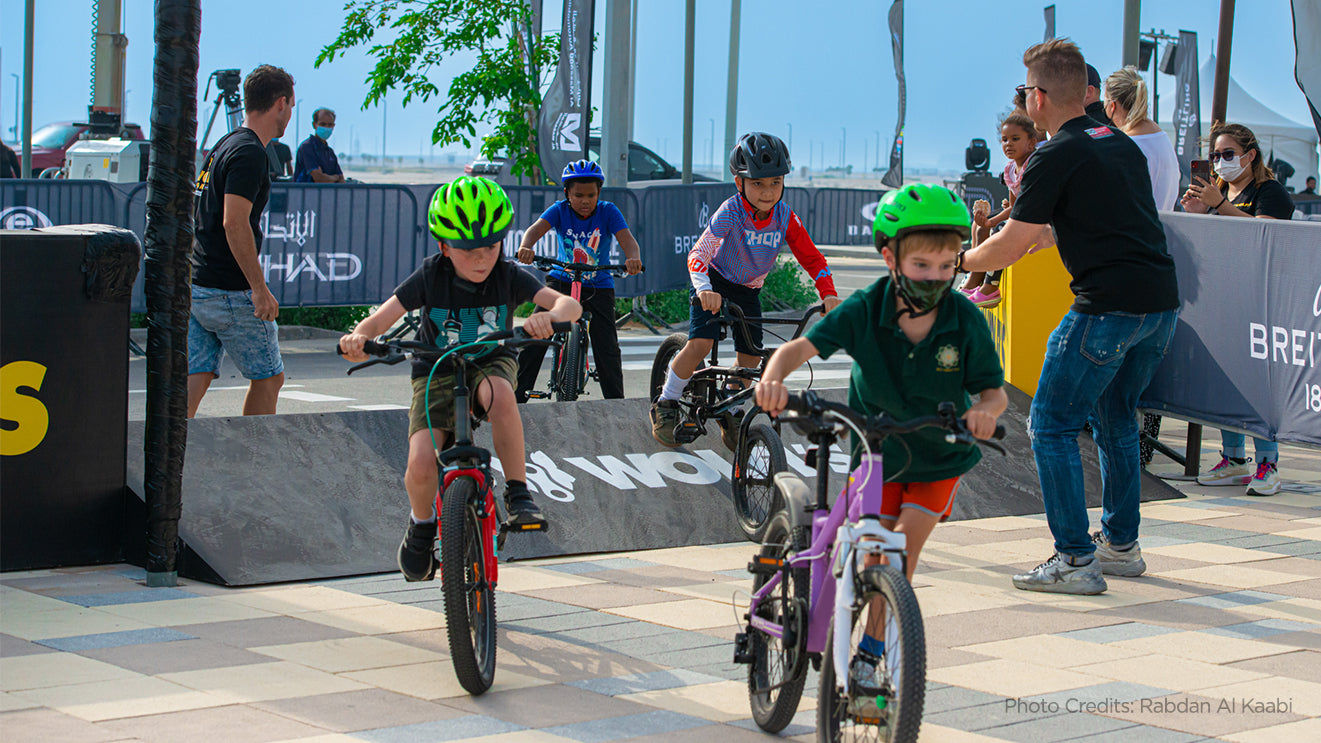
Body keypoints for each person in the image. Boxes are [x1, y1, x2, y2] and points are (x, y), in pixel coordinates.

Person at [756, 183, 1007, 713]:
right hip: (878, 455)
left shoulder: (963, 318)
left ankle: (869, 655)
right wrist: (773, 378)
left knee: (900, 553)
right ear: (889, 255)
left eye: (947, 266)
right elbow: (801, 348)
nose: (936, 278)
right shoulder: (868, 307)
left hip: (941, 456)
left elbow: (994, 391)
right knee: (871, 546)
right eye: (922, 265)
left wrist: (986, 412)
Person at [962, 39, 1180, 595]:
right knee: (1115, 420)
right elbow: (1093, 223)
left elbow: (1006, 247)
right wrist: (1041, 240)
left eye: (1023, 92)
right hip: (1159, 308)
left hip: (1106, 309)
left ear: (1036, 98)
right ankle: (1122, 547)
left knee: (1050, 424)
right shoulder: (1118, 143)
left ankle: (1075, 560)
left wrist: (951, 260)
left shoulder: (1053, 154)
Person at [338, 176, 581, 581]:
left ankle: (518, 492)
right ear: (444, 247)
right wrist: (361, 337)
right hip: (437, 367)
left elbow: (568, 304)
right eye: (468, 250)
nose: (482, 258)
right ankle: (421, 525)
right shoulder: (430, 276)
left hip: (490, 360)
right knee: (420, 462)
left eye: (491, 245)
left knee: (502, 395)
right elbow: (382, 317)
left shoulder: (509, 274)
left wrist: (549, 316)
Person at [651, 131, 842, 448]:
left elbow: (812, 257)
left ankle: (733, 406)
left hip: (748, 291)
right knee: (699, 344)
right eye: (758, 184)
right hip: (714, 283)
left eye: (775, 183)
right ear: (739, 183)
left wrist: (828, 293)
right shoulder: (732, 211)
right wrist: (704, 289)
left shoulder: (785, 217)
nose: (768, 192)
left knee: (751, 358)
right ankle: (667, 402)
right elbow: (698, 254)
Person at [1182, 122, 1294, 497]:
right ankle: (1234, 458)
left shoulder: (1269, 191)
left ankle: (1268, 461)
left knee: (1257, 384)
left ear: (1250, 155)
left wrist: (1220, 206)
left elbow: (1265, 236)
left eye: (1228, 154)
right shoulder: (1219, 193)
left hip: (1259, 301)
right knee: (1226, 382)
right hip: (1221, 300)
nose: (1220, 161)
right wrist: (1198, 213)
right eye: (1215, 155)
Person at [188, 65, 297, 418]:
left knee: (197, 373)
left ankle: (169, 458)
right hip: (230, 290)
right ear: (281, 103)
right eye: (291, 106)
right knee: (269, 378)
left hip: (199, 282)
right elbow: (234, 223)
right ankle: (257, 458)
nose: (290, 115)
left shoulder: (225, 143)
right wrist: (259, 289)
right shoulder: (250, 153)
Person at [514, 159, 643, 402]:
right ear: (567, 194)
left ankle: (616, 405)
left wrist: (633, 258)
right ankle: (517, 399)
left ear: (599, 193)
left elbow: (628, 241)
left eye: (591, 195)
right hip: (562, 281)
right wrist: (525, 247)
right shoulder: (559, 210)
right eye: (578, 195)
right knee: (536, 335)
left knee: (607, 347)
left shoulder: (608, 211)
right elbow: (533, 231)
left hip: (599, 285)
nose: (585, 201)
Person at [961, 111, 1041, 308]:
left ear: (1031, 143)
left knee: (1002, 231)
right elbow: (1014, 206)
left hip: (1038, 217)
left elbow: (1028, 205)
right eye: (1004, 140)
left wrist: (998, 224)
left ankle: (990, 286)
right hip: (1023, 214)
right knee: (983, 228)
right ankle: (976, 278)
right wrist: (990, 221)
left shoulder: (1035, 165)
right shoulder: (1010, 169)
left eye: (1015, 139)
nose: (1008, 144)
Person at [1105, 66, 1179, 210]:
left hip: (1136, 230)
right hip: (1163, 228)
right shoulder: (1161, 137)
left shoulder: (1126, 146)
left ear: (1112, 105)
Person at [294, 108, 345, 183]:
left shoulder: (330, 152)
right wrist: (334, 178)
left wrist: (330, 178)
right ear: (314, 125)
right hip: (305, 193)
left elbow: (341, 179)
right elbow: (319, 178)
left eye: (330, 125)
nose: (327, 128)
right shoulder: (307, 147)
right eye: (323, 124)